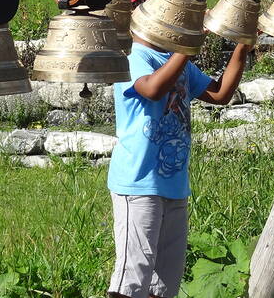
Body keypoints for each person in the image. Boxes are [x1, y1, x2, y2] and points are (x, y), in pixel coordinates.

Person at [107, 33, 252, 298]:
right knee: (133, 278)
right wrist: (189, 44)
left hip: (174, 186)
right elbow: (152, 89)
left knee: (164, 284)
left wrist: (243, 46)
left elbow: (220, 94)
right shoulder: (134, 58)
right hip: (138, 185)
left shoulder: (178, 60)